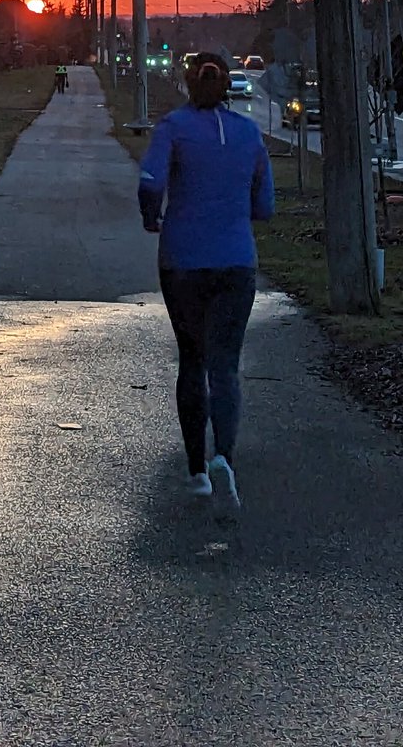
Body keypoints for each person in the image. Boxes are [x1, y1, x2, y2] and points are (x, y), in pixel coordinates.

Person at [138, 52, 274, 506]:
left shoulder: (173, 127)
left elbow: (151, 183)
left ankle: (196, 469)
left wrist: (150, 216)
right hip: (236, 261)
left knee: (192, 359)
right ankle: (225, 461)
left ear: (188, 83)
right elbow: (265, 205)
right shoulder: (249, 133)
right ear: (229, 86)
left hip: (183, 261)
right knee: (226, 364)